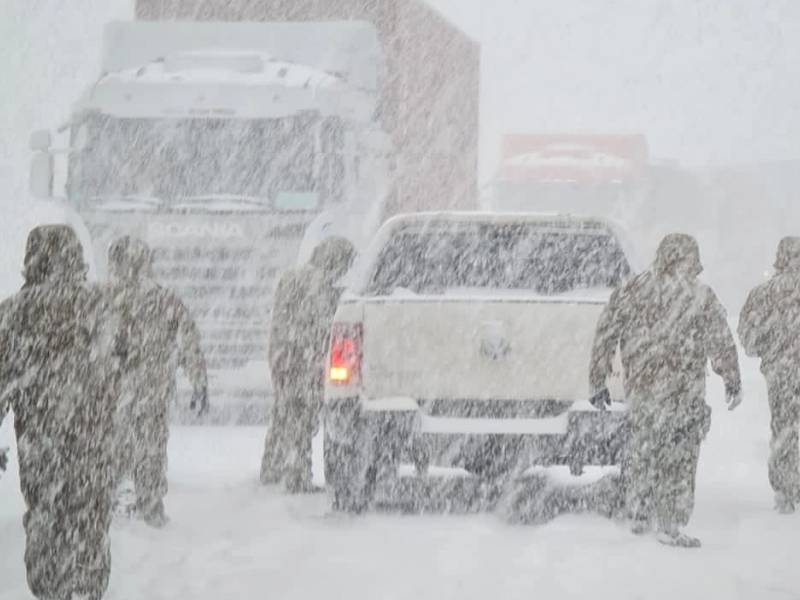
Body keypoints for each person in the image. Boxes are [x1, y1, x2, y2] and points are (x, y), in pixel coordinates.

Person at [589, 233, 742, 548]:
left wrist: (598, 379)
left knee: (644, 451)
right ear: (690, 259)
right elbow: (720, 339)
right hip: (685, 392)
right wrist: (731, 376)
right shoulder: (700, 296)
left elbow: (606, 332)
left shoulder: (632, 290)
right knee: (681, 455)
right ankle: (670, 521)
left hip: (644, 389)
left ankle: (640, 513)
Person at [0, 224, 123, 600]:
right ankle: (87, 585)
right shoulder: (100, 305)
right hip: (95, 440)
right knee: (89, 519)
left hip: (41, 440)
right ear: (75, 257)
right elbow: (121, 368)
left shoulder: (13, 313)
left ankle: (50, 588)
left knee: (46, 514)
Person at [107, 235, 208, 527]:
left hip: (113, 392)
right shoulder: (164, 299)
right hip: (153, 389)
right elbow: (188, 340)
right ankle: (149, 509)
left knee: (114, 449)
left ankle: (115, 507)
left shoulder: (101, 298)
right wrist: (198, 380)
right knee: (150, 449)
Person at [260, 236, 355, 492]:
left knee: (283, 414)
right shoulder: (320, 285)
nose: (344, 271)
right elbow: (319, 325)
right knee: (302, 419)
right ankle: (297, 476)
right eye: (344, 264)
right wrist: (317, 357)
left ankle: (271, 468)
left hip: (285, 357)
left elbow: (280, 319)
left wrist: (278, 352)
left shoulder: (291, 277)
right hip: (304, 360)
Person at [738, 236, 800, 514]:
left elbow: (748, 336)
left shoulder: (764, 294)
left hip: (781, 372)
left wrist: (769, 348)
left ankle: (786, 490)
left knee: (784, 428)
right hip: (785, 368)